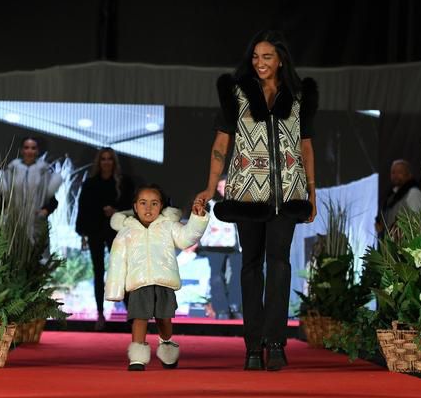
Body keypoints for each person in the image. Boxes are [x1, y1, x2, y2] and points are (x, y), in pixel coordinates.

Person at [195, 30, 318, 371]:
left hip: (289, 194)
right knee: (250, 268)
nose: (260, 63)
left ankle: (276, 343)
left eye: (267, 57)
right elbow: (221, 144)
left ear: (280, 60)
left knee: (279, 266)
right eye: (255, 57)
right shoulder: (236, 95)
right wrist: (209, 188)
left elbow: (305, 145)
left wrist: (311, 191)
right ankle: (252, 347)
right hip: (247, 193)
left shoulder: (297, 96)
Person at [105, 184, 209, 371]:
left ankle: (167, 345)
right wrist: (115, 290)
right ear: (135, 207)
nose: (148, 208)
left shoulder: (169, 226)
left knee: (164, 319)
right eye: (143, 203)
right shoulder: (126, 232)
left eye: (154, 203)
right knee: (139, 318)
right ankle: (137, 357)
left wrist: (197, 218)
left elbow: (186, 238)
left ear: (161, 206)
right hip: (138, 283)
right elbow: (117, 261)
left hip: (164, 282)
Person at [75, 147, 134, 331]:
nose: (106, 162)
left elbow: (133, 207)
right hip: (95, 232)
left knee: (121, 272)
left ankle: (131, 313)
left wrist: (116, 212)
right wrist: (83, 233)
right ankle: (100, 314)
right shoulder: (90, 184)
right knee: (98, 273)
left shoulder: (124, 183)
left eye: (109, 159)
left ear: (114, 162)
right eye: (103, 159)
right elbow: (83, 209)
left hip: (117, 232)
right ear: (99, 162)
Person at [0, 136, 62, 245]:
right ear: (21, 150)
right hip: (13, 223)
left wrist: (44, 212)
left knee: (35, 256)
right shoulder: (11, 171)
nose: (29, 151)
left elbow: (52, 200)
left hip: (36, 223)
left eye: (33, 148)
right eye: (26, 147)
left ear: (38, 151)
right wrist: (4, 212)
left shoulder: (44, 173)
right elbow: (2, 197)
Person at [197, 176, 243, 320]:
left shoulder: (242, 203)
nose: (223, 189)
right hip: (215, 246)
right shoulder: (210, 203)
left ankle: (235, 306)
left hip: (237, 245)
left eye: (226, 186)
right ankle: (221, 309)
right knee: (216, 276)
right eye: (221, 187)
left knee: (238, 275)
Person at [376, 159, 421, 237]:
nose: (395, 175)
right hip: (391, 246)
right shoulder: (391, 197)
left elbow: (418, 223)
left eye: (399, 172)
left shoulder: (414, 193)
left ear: (409, 174)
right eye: (393, 172)